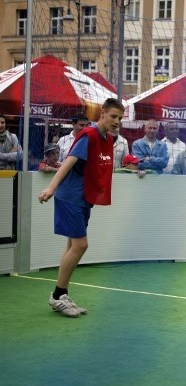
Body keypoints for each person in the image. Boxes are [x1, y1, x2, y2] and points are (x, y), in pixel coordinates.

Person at [37, 98, 125, 318]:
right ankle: (58, 295)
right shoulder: (89, 135)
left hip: (83, 198)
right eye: (113, 116)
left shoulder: (107, 139)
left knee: (71, 246)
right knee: (81, 244)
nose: (117, 121)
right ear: (102, 113)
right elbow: (68, 163)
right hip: (70, 197)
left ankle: (63, 294)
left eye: (120, 118)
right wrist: (50, 188)